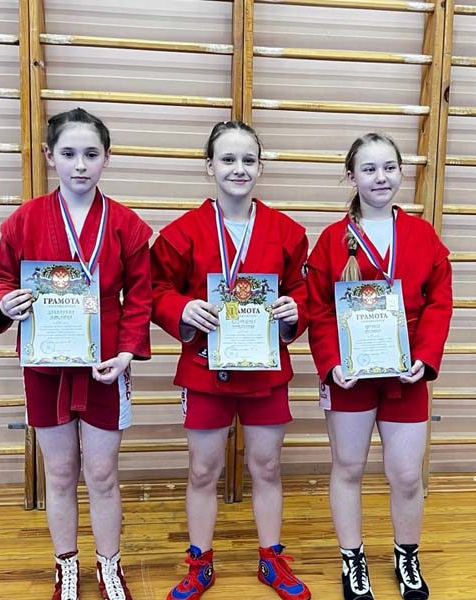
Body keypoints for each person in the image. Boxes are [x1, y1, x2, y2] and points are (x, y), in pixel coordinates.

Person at [0, 108, 153, 600]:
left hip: (105, 365)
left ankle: (109, 565)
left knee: (102, 474)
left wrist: (127, 354)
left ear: (107, 158)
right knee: (60, 473)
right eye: (68, 153)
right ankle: (66, 565)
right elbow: (2, 277)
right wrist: (6, 300)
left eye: (91, 154)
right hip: (46, 364)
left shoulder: (127, 224)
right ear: (49, 156)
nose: (80, 165)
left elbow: (140, 297)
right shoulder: (23, 220)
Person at [150, 120, 311, 600]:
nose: (238, 169)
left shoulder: (287, 232)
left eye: (248, 160)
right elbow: (155, 290)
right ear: (209, 167)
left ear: (260, 167)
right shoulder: (181, 233)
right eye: (227, 159)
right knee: (203, 470)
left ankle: (270, 559)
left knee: (267, 467)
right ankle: (200, 562)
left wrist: (295, 310)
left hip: (265, 369)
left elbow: (304, 291)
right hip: (206, 370)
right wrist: (181, 309)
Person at [307, 133, 452, 600]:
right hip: (349, 377)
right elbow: (318, 309)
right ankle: (352, 558)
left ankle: (407, 554)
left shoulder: (422, 236)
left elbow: (439, 302)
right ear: (351, 177)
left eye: (389, 167)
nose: (381, 177)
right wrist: (331, 363)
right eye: (368, 169)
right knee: (348, 467)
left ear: (401, 172)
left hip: (406, 375)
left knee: (407, 474)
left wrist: (425, 358)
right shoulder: (331, 241)